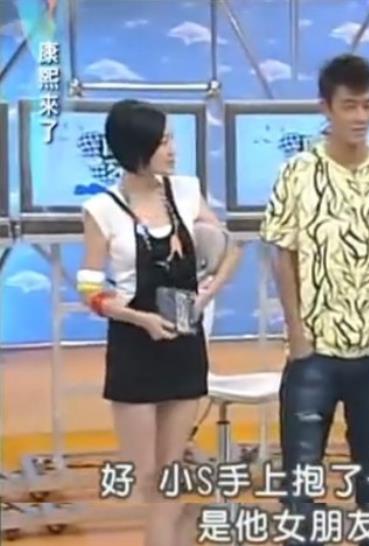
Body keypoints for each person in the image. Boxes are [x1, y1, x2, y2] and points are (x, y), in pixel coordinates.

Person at [260, 54, 369, 544]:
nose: (360, 117)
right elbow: (284, 254)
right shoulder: (297, 173)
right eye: (349, 106)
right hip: (312, 353)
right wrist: (296, 333)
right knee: (301, 483)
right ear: (325, 107)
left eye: (368, 106)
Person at [77, 99, 240, 546]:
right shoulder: (101, 210)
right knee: (148, 477)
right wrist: (139, 318)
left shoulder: (185, 191)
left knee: (170, 474)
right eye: (163, 141)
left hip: (184, 345)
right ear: (136, 149)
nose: (173, 149)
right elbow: (90, 289)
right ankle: (182, 523)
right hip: (134, 347)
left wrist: (207, 294)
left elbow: (230, 248)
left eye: (171, 139)